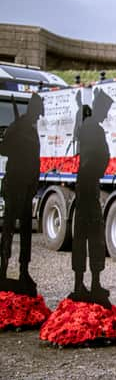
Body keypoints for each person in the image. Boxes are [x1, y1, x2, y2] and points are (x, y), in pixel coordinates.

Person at [70, 89, 113, 308]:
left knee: (91, 236)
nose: (106, 114)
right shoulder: (91, 128)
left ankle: (91, 283)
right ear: (98, 109)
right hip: (88, 184)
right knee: (87, 235)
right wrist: (99, 167)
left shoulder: (90, 128)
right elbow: (97, 155)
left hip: (88, 183)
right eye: (105, 110)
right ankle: (82, 284)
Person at [0, 93, 43, 296]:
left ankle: (24, 271)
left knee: (26, 232)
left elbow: (36, 160)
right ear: (32, 111)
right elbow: (3, 149)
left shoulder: (32, 131)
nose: (39, 117)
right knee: (8, 229)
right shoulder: (16, 127)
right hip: (14, 184)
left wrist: (35, 183)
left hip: (27, 187)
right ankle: (3, 268)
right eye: (37, 113)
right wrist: (15, 137)